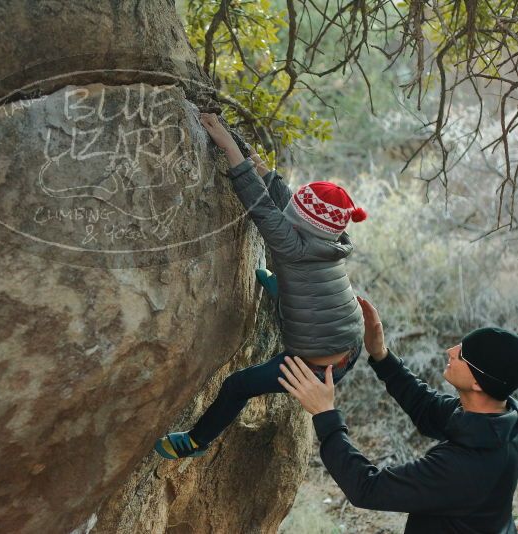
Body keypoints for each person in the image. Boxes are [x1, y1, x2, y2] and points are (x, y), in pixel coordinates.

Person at [154, 113, 368, 460]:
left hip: (315, 367)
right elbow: (285, 203)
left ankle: (196, 442)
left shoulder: (292, 246)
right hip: (350, 343)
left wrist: (228, 147)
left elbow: (262, 206)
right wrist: (262, 166)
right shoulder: (332, 239)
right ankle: (275, 286)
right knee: (293, 288)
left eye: (296, 211)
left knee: (237, 385)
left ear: (301, 222)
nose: (290, 211)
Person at [280, 295, 518, 533]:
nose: (451, 350)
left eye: (463, 354)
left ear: (479, 384)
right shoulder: (500, 419)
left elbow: (367, 488)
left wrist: (325, 414)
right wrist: (381, 355)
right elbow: (427, 408)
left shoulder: (466, 467)